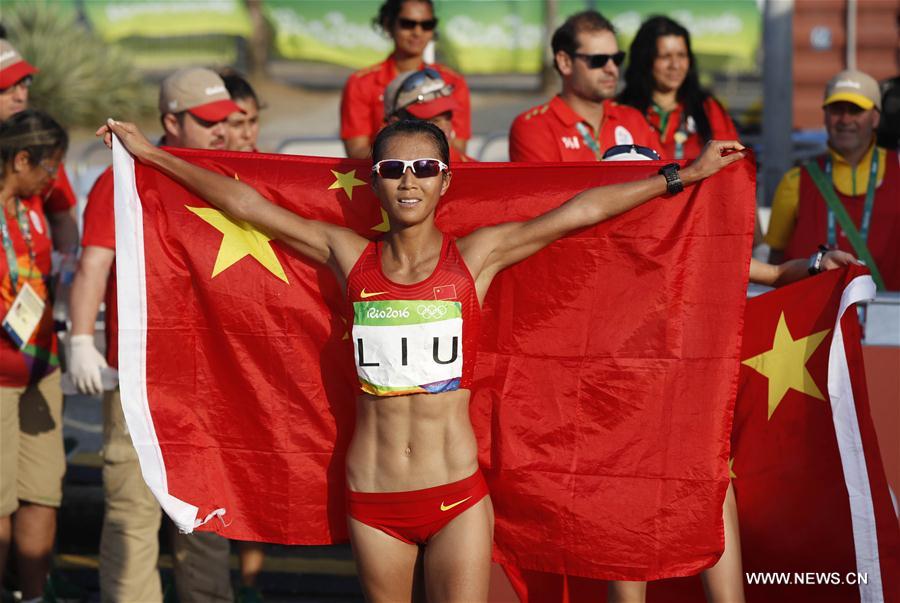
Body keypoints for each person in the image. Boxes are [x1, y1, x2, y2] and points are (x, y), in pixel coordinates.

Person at [100, 99, 748, 600]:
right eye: (393, 169)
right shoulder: (347, 255)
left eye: (424, 168)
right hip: (375, 498)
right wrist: (152, 157)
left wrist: (678, 175)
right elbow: (246, 204)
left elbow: (580, 211)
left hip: (457, 493)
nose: (408, 180)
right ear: (376, 181)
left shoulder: (479, 257)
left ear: (445, 182)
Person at [68, 68, 242, 603]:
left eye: (225, 119)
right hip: (139, 378)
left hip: (208, 379)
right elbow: (94, 264)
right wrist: (80, 339)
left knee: (208, 516)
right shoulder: (120, 179)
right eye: (207, 121)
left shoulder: (228, 176)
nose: (222, 130)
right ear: (171, 121)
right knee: (131, 514)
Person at [0, 109, 68, 603]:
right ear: (22, 159)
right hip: (0, 372)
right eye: (50, 167)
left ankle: (35, 596)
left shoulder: (32, 205)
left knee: (43, 489)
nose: (53, 180)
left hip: (42, 363)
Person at [766, 69, 899, 291]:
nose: (845, 119)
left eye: (856, 110)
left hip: (889, 320)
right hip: (815, 322)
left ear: (875, 117)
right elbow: (775, 265)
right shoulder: (795, 182)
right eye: (837, 110)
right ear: (825, 116)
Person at [509, 11, 654, 163]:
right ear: (565, 62)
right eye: (599, 60)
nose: (612, 69)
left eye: (617, 59)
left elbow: (665, 179)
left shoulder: (633, 119)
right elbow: (548, 187)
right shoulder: (534, 127)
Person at [340, 0, 471, 159]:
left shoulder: (453, 81)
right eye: (408, 24)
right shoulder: (360, 83)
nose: (417, 31)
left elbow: (459, 148)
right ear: (389, 24)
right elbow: (356, 152)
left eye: (427, 24)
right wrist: (403, 152)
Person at [0, 38, 78, 265]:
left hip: (37, 290)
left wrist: (67, 270)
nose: (20, 96)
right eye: (6, 88)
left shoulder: (40, 147)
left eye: (25, 83)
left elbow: (63, 217)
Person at [618, 16, 739, 160]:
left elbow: (731, 166)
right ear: (644, 60)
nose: (675, 65)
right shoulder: (618, 111)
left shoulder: (707, 110)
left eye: (681, 55)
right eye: (665, 56)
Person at [384, 68, 475, 162]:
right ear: (395, 123)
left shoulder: (478, 173)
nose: (446, 131)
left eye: (448, 118)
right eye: (433, 121)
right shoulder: (374, 173)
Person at [220, 69, 261, 153]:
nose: (248, 134)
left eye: (253, 121)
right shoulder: (193, 165)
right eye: (237, 125)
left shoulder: (268, 165)